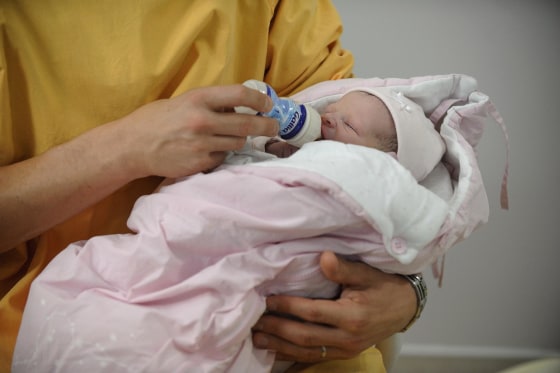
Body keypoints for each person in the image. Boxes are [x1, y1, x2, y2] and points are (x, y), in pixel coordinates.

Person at [0, 2, 419, 372]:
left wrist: (406, 294)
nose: (333, 122)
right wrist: (125, 148)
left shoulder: (279, 11)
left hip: (275, 331)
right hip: (50, 321)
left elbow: (377, 175)